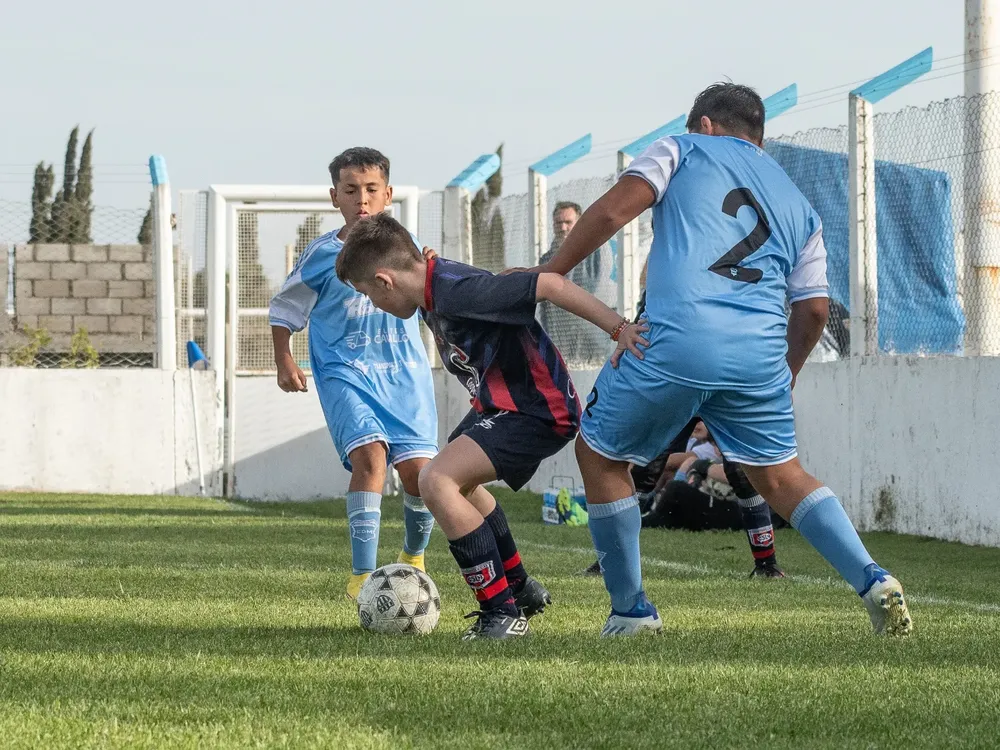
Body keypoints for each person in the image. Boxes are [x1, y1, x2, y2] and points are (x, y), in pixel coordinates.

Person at [534, 82, 912, 638]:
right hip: (758, 354)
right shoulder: (799, 202)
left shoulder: (681, 148)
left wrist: (555, 270)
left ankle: (631, 611)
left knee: (599, 454)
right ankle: (873, 579)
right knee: (781, 475)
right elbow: (812, 310)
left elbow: (615, 210)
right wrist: (783, 376)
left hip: (677, 338)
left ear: (705, 125)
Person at [334, 212, 647, 640]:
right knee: (452, 478)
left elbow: (550, 285)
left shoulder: (456, 291)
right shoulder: (430, 286)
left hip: (537, 408)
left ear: (386, 281)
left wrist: (620, 328)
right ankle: (518, 588)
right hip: (502, 405)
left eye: (368, 294)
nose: (373, 305)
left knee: (436, 481)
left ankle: (500, 612)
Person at [269, 147, 438, 601]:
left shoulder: (409, 251)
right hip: (346, 373)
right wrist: (284, 359)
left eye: (371, 190)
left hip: (405, 376)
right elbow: (285, 308)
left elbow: (437, 302)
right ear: (334, 196)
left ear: (388, 194)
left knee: (422, 474)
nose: (361, 199)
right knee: (370, 460)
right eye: (350, 190)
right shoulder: (323, 255)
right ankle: (363, 578)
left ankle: (413, 560)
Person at [538, 202, 617, 364]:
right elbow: (545, 307)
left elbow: (598, 288)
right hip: (563, 344)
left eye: (568, 222)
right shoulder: (546, 260)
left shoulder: (595, 251)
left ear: (579, 223)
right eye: (558, 223)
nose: (563, 227)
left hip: (596, 336)